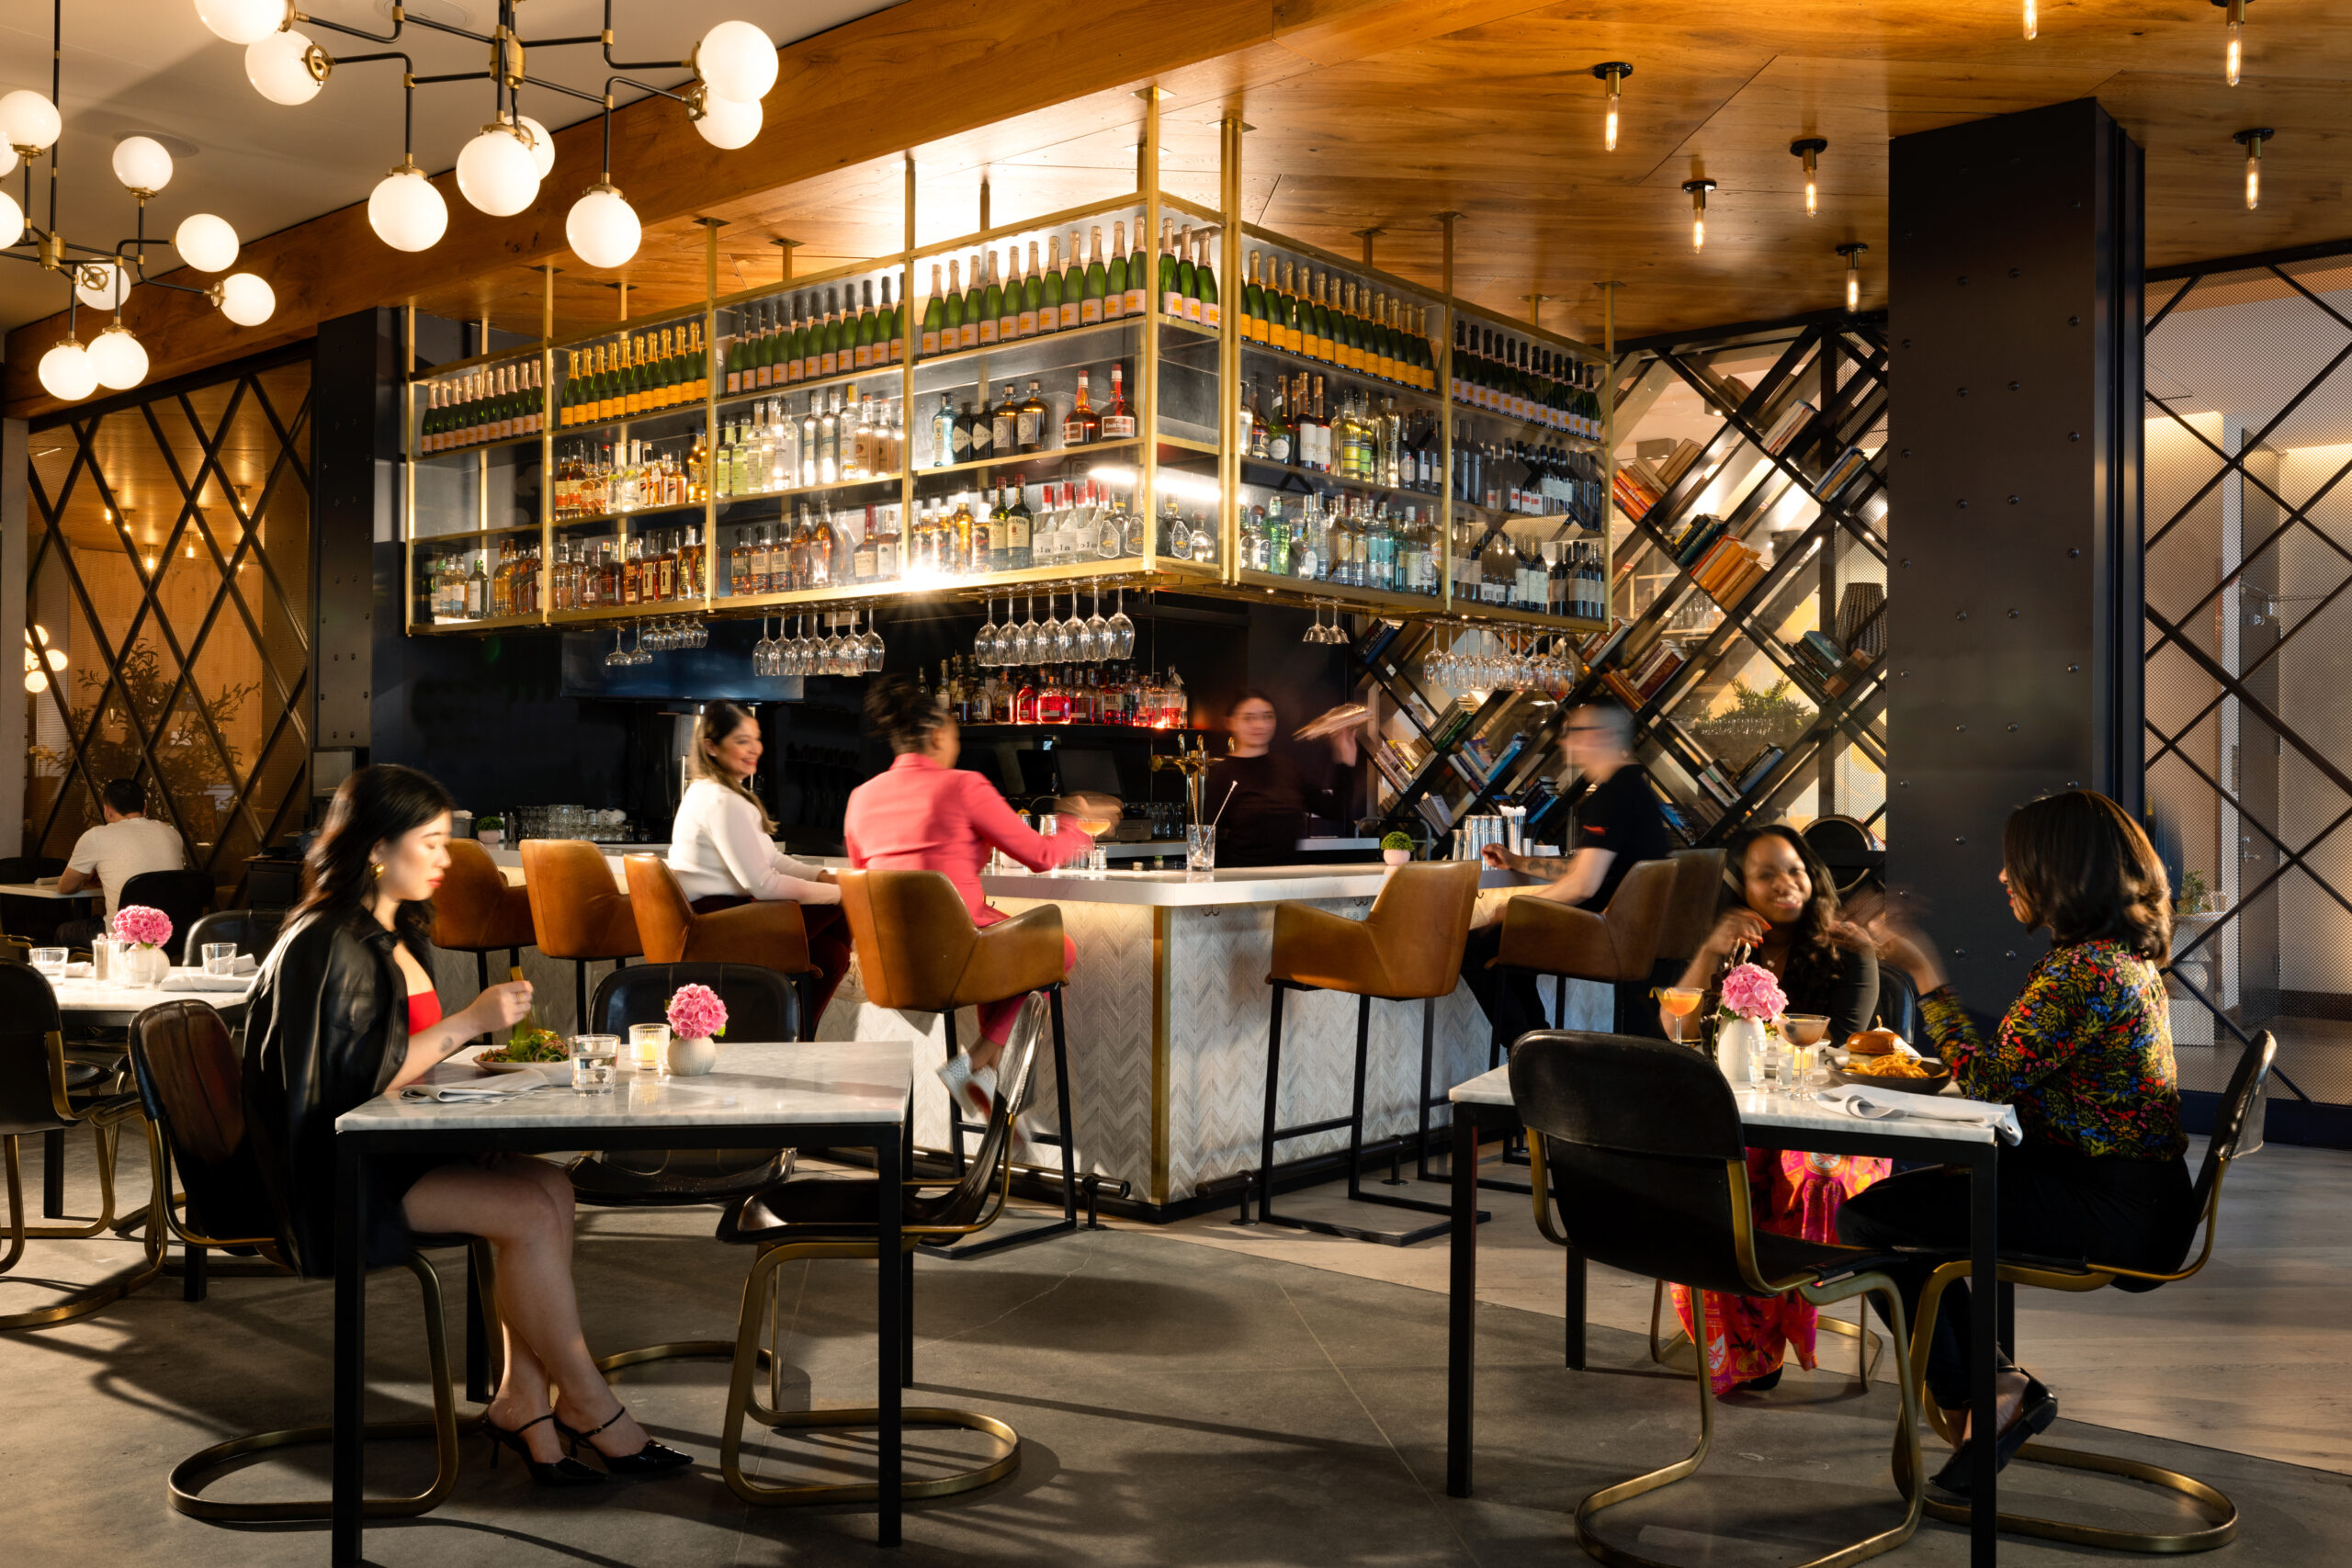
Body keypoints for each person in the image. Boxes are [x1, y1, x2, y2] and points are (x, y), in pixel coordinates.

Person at [243, 764, 689, 1486]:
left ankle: (522, 1400)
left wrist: (488, 1060)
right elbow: (357, 1082)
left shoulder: (386, 930)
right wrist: (469, 1024)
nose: (448, 859)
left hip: (390, 1147)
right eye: (433, 842)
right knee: (529, 1210)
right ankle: (589, 1404)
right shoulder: (331, 941)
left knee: (551, 1189)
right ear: (378, 847)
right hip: (336, 1173)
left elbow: (394, 1063)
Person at [1835, 790, 2196, 1494]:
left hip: (2114, 1208)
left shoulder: (2084, 972)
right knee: (1910, 1208)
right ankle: (1995, 1389)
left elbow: (1991, 1086)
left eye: (2016, 865)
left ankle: (1992, 1394)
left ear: (2060, 870)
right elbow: (2018, 1081)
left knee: (1866, 1219)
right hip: (2133, 1193)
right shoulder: (2116, 958)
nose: (2003, 878)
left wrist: (1926, 973)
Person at [1664, 824, 1883, 1394]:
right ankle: (1746, 1350)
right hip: (1741, 1121)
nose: (1787, 884)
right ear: (1739, 887)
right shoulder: (1728, 947)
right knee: (1710, 1175)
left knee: (1809, 1170)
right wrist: (1713, 949)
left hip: (1833, 1127)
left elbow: (1843, 1051)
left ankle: (1791, 1309)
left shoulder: (1847, 948)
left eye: (1796, 870)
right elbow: (1676, 1027)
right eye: (1767, 875)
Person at [843, 675, 1102, 1119]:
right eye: (956, 737)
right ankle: (982, 1059)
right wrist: (1077, 826)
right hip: (959, 952)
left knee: (1000, 951)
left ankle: (988, 1080)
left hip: (892, 966)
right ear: (939, 734)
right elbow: (1040, 856)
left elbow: (867, 884)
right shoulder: (964, 785)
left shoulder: (860, 798)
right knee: (1056, 946)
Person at [1460, 700, 1671, 1043]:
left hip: (1604, 933)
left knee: (1475, 947)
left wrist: (1516, 908)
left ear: (1602, 736)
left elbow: (1583, 885)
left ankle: (1533, 1055)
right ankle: (1539, 1047)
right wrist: (1518, 862)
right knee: (1509, 956)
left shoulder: (1612, 796)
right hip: (1625, 929)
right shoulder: (1633, 788)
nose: (1563, 741)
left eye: (1573, 732)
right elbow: (1584, 870)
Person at [670, 700, 853, 1027]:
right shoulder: (723, 801)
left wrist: (824, 876)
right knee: (841, 910)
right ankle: (791, 1032)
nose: (754, 748)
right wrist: (840, 894)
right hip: (718, 926)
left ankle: (790, 1031)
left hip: (716, 918)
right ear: (711, 746)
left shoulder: (710, 792)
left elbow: (772, 860)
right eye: (741, 740)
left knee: (831, 955)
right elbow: (764, 885)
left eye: (756, 738)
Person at [1203, 691, 1360, 867]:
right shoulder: (1223, 774)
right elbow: (1207, 841)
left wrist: (1346, 759)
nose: (1260, 724)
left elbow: (1335, 810)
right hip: (1241, 884)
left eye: (1267, 717)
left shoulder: (1288, 769)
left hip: (1286, 881)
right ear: (1231, 723)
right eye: (1249, 718)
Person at [55, 777, 187, 945]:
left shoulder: (96, 837)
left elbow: (65, 887)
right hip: (169, 932)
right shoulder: (171, 834)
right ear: (145, 808)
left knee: (63, 932)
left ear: (107, 810)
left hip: (121, 935)